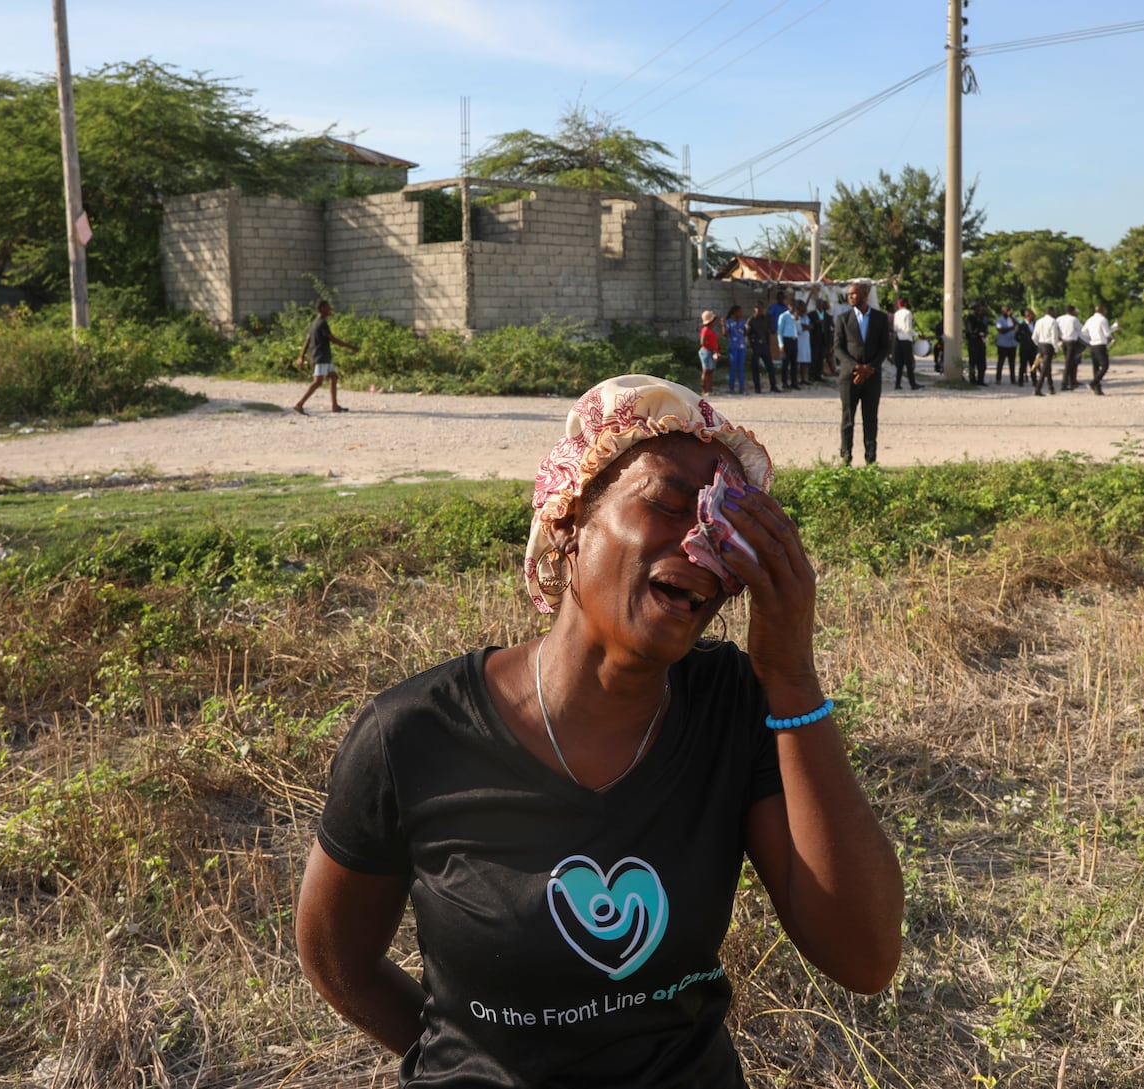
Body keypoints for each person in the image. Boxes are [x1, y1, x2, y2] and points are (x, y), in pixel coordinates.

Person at [295, 374, 905, 1089]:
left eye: (725, 525)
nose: (702, 546)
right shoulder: (414, 735)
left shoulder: (731, 705)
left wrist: (793, 678)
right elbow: (337, 958)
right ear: (569, 518)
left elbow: (864, 956)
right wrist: (463, 1064)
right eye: (672, 503)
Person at [834, 280, 891, 466]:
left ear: (865, 296)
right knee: (848, 418)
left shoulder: (880, 318)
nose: (850, 297)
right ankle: (846, 457)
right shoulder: (843, 319)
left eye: (854, 294)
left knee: (870, 418)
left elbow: (885, 347)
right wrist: (856, 367)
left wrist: (870, 368)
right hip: (849, 377)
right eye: (849, 294)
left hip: (872, 377)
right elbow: (838, 348)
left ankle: (871, 458)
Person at [294, 300, 359, 414]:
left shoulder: (315, 322)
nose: (330, 309)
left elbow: (307, 340)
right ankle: (299, 404)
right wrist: (351, 346)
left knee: (334, 377)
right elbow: (333, 340)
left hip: (323, 357)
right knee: (318, 382)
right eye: (328, 307)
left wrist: (302, 356)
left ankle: (335, 406)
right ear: (322, 308)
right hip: (322, 357)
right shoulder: (322, 323)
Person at [1081, 304, 1113, 396]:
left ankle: (1097, 389)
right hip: (1100, 344)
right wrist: (1110, 340)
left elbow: (1083, 332)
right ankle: (1093, 382)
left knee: (1095, 367)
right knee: (1104, 366)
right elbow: (1107, 334)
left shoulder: (1090, 320)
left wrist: (1090, 338)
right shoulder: (1103, 320)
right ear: (1102, 310)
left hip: (1093, 344)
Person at [746, 301, 777, 393]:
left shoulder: (767, 318)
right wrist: (750, 345)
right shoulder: (751, 320)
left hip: (764, 344)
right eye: (757, 308)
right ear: (754, 309)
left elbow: (771, 330)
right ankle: (757, 388)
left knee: (770, 366)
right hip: (755, 344)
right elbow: (747, 334)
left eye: (760, 308)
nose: (759, 310)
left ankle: (773, 386)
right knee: (755, 367)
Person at [1029, 306, 1060, 396]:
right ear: (1051, 312)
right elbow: (1054, 337)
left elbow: (1034, 337)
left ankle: (1051, 388)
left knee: (1047, 367)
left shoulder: (1039, 321)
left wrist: (1038, 345)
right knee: (1045, 368)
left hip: (1041, 344)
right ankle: (1038, 389)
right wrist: (1056, 349)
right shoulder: (1053, 321)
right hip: (1048, 346)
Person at [891, 296, 919, 390]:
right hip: (906, 339)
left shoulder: (897, 313)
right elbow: (908, 329)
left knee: (900, 364)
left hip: (898, 338)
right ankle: (913, 384)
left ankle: (897, 384)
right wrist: (917, 334)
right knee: (909, 363)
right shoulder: (908, 313)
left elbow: (895, 328)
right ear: (906, 304)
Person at [1056, 304, 1085, 391]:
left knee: (1070, 362)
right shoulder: (1074, 319)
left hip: (1063, 341)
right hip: (1072, 342)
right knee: (1069, 363)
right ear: (1072, 311)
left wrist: (1059, 337)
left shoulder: (1059, 319)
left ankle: (1072, 381)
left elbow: (1055, 328)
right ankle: (1064, 383)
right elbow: (1082, 330)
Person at [724, 305, 749, 394]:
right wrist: (723, 325)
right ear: (735, 313)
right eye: (740, 312)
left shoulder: (742, 322)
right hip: (733, 347)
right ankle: (732, 388)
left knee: (741, 368)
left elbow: (745, 333)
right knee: (733, 368)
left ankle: (741, 388)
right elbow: (725, 334)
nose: (741, 314)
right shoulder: (729, 322)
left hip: (741, 347)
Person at [964, 302, 990, 385]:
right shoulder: (970, 318)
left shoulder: (982, 318)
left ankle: (981, 379)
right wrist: (978, 332)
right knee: (973, 361)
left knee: (982, 362)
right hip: (973, 341)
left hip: (981, 342)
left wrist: (985, 333)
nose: (980, 310)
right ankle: (972, 379)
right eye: (978, 308)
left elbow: (985, 328)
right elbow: (969, 330)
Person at [776, 302, 800, 391]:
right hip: (787, 340)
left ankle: (794, 382)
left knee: (794, 363)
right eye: (792, 306)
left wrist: (797, 321)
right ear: (789, 306)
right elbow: (779, 331)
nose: (794, 308)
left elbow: (799, 330)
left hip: (794, 339)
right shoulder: (783, 316)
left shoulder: (796, 316)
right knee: (785, 362)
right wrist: (781, 344)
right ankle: (784, 382)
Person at [993, 306, 1019, 385]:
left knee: (1012, 363)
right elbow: (1001, 330)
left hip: (1012, 344)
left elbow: (1018, 325)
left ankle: (1013, 379)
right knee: (1001, 362)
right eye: (1006, 311)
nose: (1008, 312)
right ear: (1003, 311)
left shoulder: (1013, 318)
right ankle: (998, 379)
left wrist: (1011, 317)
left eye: (1009, 310)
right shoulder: (999, 320)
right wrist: (1011, 328)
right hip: (1002, 344)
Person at [813, 295, 837, 378]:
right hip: (815, 339)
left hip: (825, 339)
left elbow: (833, 327)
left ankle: (819, 374)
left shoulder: (828, 316)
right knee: (815, 357)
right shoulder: (812, 314)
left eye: (821, 303)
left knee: (822, 357)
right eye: (819, 303)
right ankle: (813, 374)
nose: (820, 305)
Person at [699, 310, 721, 396]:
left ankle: (710, 389)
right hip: (706, 352)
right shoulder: (705, 330)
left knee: (711, 371)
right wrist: (713, 350)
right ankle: (705, 390)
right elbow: (703, 342)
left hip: (712, 352)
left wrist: (717, 350)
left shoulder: (710, 330)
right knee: (706, 371)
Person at [1015, 307, 1038, 389]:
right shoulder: (1021, 325)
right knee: (1022, 365)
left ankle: (1034, 380)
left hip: (1033, 348)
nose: (1034, 316)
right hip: (1024, 347)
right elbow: (1016, 336)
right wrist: (1022, 341)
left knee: (1033, 364)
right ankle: (1020, 380)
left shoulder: (1035, 324)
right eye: (1032, 314)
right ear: (1027, 316)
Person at [795, 301, 814, 386]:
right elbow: (801, 326)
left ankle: (803, 379)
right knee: (797, 360)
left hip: (806, 340)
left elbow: (810, 326)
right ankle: (795, 378)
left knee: (805, 360)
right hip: (799, 340)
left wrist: (807, 327)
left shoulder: (806, 316)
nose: (805, 308)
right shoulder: (796, 316)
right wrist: (806, 327)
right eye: (803, 306)